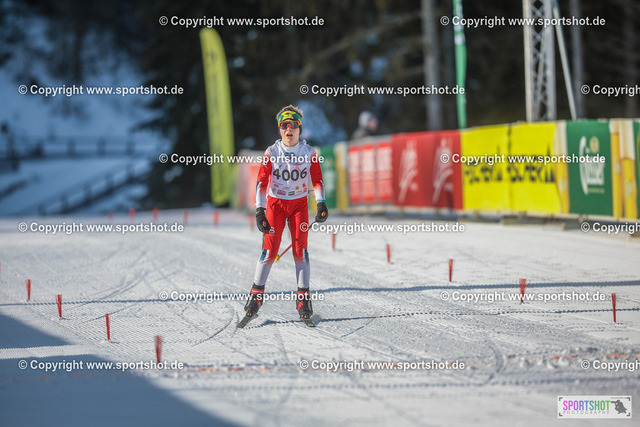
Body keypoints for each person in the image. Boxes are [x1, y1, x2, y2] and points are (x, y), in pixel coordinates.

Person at [244, 105, 328, 321]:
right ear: (279, 129)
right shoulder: (272, 152)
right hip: (276, 205)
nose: (288, 129)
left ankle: (303, 299)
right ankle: (256, 295)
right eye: (284, 125)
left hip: (299, 205)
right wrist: (260, 211)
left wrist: (321, 203)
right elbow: (261, 183)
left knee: (301, 251)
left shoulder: (309, 153)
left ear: (299, 128)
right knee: (269, 251)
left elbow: (317, 181)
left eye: (293, 125)